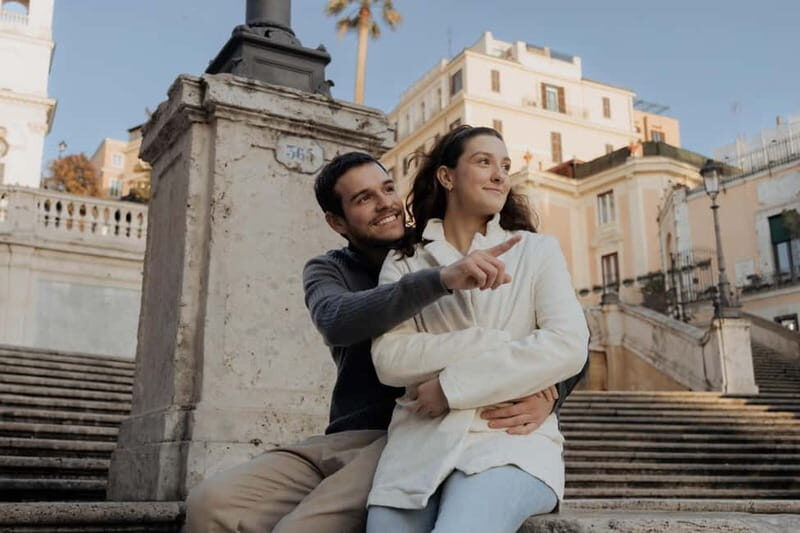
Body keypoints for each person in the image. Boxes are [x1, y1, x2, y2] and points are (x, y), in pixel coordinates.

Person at [185, 151, 587, 532]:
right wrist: (440, 281)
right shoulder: (331, 268)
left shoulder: (439, 248)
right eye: (364, 198)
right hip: (343, 435)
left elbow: (564, 335)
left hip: (411, 432)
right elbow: (336, 319)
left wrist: (554, 392)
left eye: (389, 188)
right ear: (337, 222)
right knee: (211, 504)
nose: (385, 204)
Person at [366, 126, 590, 533]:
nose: (500, 175)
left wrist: (451, 387)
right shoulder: (406, 261)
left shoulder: (537, 251)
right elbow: (387, 359)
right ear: (447, 176)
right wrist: (488, 341)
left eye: (505, 166)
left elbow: (569, 345)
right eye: (483, 162)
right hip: (418, 443)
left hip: (509, 441)